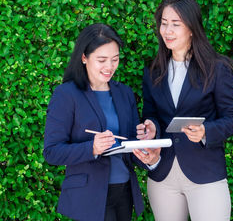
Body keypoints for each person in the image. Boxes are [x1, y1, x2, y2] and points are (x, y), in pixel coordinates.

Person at [135, 0, 233, 221]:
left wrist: (205, 132)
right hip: (162, 175)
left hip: (205, 174)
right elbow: (151, 114)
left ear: (192, 28)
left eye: (176, 24)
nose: (167, 31)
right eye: (164, 23)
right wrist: (150, 126)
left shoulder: (216, 68)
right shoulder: (153, 70)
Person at [43, 23, 160, 221]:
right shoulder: (66, 95)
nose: (110, 67)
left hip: (124, 193)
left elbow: (130, 148)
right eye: (102, 60)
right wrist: (92, 148)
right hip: (89, 197)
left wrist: (149, 155)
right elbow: (52, 152)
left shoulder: (124, 93)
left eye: (115, 59)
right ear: (83, 57)